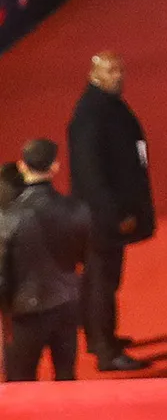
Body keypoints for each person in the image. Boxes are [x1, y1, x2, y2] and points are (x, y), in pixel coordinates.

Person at [67, 52, 155, 371]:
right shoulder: (91, 114)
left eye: (120, 70)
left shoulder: (105, 105)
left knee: (98, 280)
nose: (118, 76)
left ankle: (98, 337)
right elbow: (91, 174)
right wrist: (116, 214)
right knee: (102, 284)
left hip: (99, 214)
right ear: (94, 73)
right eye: (110, 71)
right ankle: (106, 352)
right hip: (101, 218)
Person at [0, 139, 92, 382]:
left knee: (20, 380)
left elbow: (2, 271)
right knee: (66, 377)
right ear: (54, 167)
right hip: (67, 303)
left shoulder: (8, 217)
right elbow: (85, 255)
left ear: (22, 166)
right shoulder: (77, 210)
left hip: (25, 312)